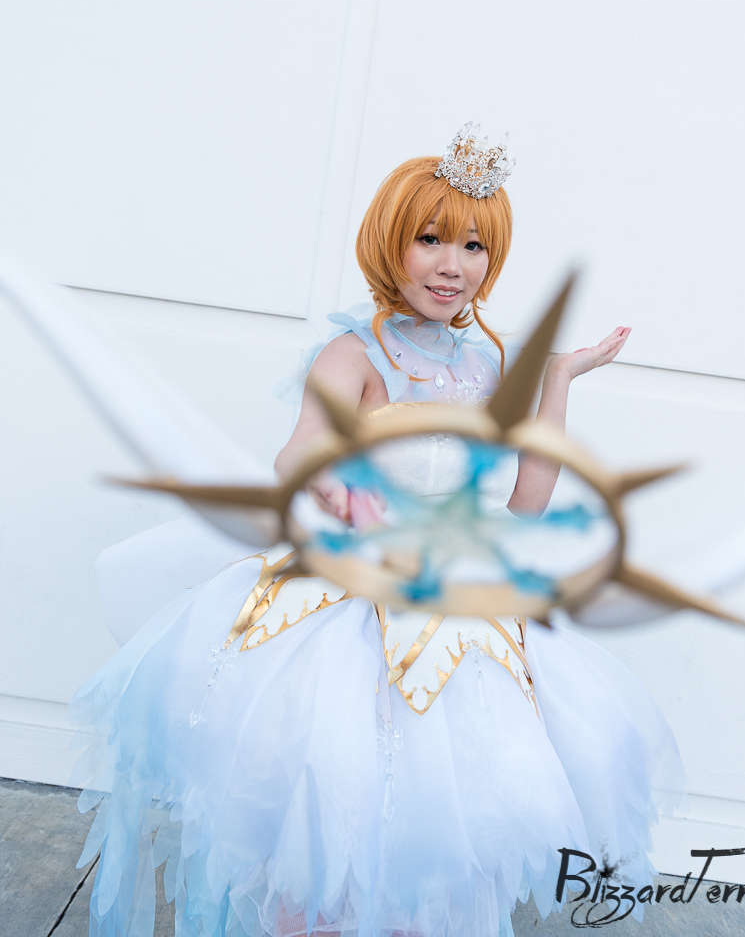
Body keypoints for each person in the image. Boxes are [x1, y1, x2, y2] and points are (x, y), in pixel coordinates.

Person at [70, 129, 683, 937]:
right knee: (331, 794)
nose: (451, 265)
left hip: (453, 596)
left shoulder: (486, 366)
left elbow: (523, 508)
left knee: (440, 811)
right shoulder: (353, 354)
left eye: (473, 246)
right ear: (391, 242)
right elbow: (299, 450)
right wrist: (333, 483)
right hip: (348, 594)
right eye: (430, 239)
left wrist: (558, 381)